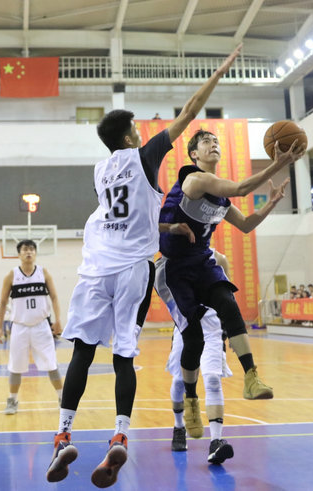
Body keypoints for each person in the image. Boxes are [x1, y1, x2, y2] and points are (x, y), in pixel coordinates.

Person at [45, 44, 244, 488]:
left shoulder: (100, 171)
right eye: (136, 129)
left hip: (95, 269)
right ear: (130, 138)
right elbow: (190, 112)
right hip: (133, 269)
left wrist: (168, 227)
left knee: (82, 352)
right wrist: (219, 72)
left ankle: (62, 435)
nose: (141, 133)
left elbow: (129, 214)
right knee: (123, 354)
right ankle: (119, 435)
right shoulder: (144, 156)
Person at [157, 122, 304, 438]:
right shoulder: (195, 180)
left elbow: (247, 224)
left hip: (201, 261)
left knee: (227, 301)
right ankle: (191, 399)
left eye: (215, 140)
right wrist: (278, 163)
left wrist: (271, 203)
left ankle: (251, 377)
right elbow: (240, 189)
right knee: (194, 339)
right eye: (205, 141)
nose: (213, 143)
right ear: (194, 155)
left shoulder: (220, 199)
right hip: (174, 269)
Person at [157, 245, 235, 464]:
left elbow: (227, 296)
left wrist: (233, 328)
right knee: (179, 380)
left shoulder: (219, 259)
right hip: (185, 327)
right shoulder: (171, 259)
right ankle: (179, 427)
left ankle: (216, 441)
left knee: (212, 379)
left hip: (213, 328)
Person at [0, 240, 63, 415]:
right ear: (19, 254)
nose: (29, 252)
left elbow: (54, 297)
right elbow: (2, 302)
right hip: (20, 327)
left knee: (52, 363)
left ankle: (62, 398)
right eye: (25, 249)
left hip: (42, 326)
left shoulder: (43, 273)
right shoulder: (11, 275)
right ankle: (12, 400)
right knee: (15, 366)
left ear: (35, 253)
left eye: (32, 249)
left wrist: (58, 320)